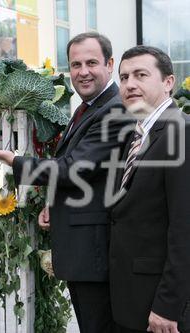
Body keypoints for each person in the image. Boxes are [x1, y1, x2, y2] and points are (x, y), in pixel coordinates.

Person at [0, 32, 130, 333]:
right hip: (84, 248)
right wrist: (54, 202)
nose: (82, 72)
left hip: (95, 252)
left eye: (91, 63)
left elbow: (75, 169)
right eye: (75, 64)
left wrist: (15, 161)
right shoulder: (89, 107)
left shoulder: (114, 109)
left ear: (110, 64)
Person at [110, 45, 190, 333]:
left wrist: (168, 306)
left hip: (160, 309)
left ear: (168, 82)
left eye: (141, 75)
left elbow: (185, 229)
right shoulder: (139, 133)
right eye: (124, 77)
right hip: (131, 299)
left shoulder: (181, 132)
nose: (130, 84)